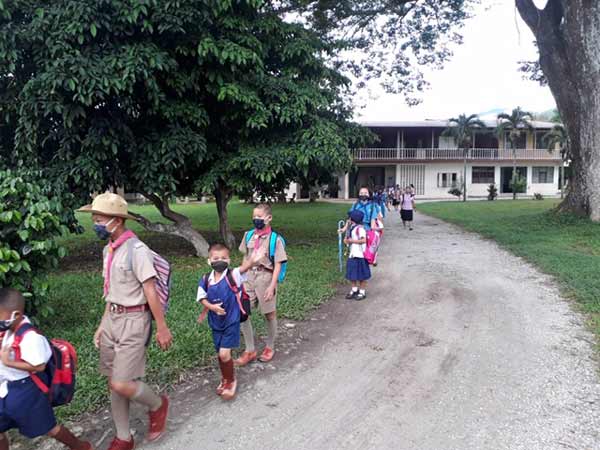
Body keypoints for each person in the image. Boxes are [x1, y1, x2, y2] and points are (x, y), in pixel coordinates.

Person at [78, 193, 172, 450]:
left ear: (117, 220)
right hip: (112, 318)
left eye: (99, 220)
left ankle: (158, 405)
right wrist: (102, 324)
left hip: (134, 320)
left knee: (121, 382)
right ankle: (124, 437)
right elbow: (111, 290)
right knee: (113, 381)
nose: (95, 224)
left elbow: (150, 290)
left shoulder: (137, 250)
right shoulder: (108, 250)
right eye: (94, 219)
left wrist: (162, 326)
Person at [0, 288, 93, 450]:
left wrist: (8, 362)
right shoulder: (9, 330)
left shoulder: (31, 337)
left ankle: (81, 447)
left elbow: (39, 365)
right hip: (6, 389)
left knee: (49, 428)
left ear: (16, 315)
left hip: (26, 390)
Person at [196, 243, 265, 400]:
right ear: (209, 261)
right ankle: (225, 378)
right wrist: (212, 307)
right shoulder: (206, 279)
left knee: (224, 354)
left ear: (229, 260)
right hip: (215, 323)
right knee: (221, 355)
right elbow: (201, 298)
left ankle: (231, 380)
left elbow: (244, 267)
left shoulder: (233, 275)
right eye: (216, 258)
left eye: (224, 258)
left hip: (231, 321)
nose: (220, 261)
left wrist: (253, 259)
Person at [235, 204, 288, 366]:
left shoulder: (275, 240)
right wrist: (240, 277)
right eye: (254, 217)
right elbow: (245, 257)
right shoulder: (248, 235)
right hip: (249, 277)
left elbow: (278, 264)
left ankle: (270, 347)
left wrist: (272, 286)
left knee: (269, 314)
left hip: (266, 278)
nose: (256, 219)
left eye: (259, 217)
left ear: (269, 218)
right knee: (242, 312)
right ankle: (250, 350)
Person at [342, 210, 371, 301]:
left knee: (362, 275)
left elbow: (363, 240)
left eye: (349, 218)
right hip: (352, 254)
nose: (348, 219)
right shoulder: (352, 228)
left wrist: (352, 241)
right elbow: (348, 238)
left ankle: (362, 291)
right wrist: (347, 240)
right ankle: (354, 289)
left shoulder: (360, 229)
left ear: (353, 219)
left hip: (360, 255)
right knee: (352, 274)